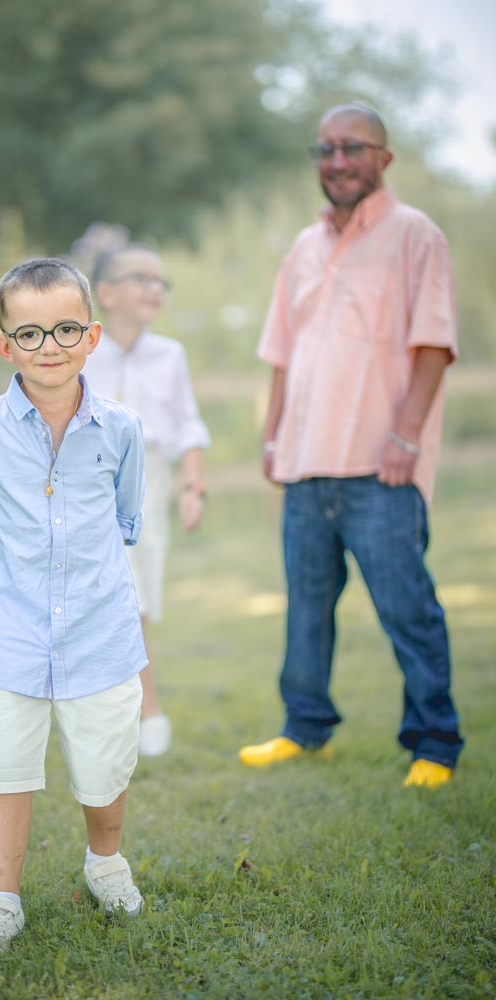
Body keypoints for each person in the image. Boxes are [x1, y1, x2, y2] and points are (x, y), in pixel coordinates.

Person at [238, 104, 464, 789]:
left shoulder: (413, 236)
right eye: (325, 149)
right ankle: (304, 730)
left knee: (407, 610)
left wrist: (405, 435)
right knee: (305, 608)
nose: (336, 161)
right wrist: (271, 434)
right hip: (305, 466)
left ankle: (433, 743)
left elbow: (432, 343)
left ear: (383, 159)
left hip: (379, 468)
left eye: (352, 148)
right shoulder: (301, 249)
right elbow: (281, 351)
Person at [0, 258, 148, 956]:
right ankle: (0, 903)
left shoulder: (121, 428)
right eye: (28, 334)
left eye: (65, 328)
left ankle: (105, 863)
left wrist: (77, 600)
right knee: (4, 766)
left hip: (101, 633)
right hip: (11, 636)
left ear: (91, 335)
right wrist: (16, 600)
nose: (49, 346)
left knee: (102, 767)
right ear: (4, 347)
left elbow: (125, 519)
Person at [83, 243, 210, 757]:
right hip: (85, 483)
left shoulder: (170, 354)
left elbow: (187, 426)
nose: (155, 289)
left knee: (136, 601)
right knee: (95, 598)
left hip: (148, 485)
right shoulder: (77, 351)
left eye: (161, 281)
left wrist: (192, 487)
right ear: (106, 293)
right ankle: (121, 706)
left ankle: (139, 704)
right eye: (142, 278)